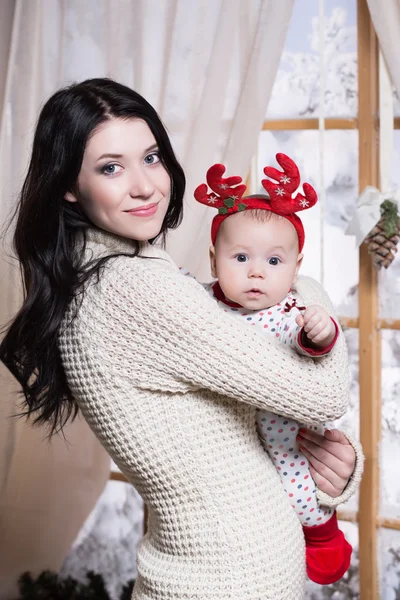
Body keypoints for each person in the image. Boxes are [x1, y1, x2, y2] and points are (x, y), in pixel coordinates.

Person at [0, 78, 363, 600]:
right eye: (110, 167)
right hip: (224, 584)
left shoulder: (117, 268)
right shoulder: (130, 286)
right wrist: (303, 285)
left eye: (151, 157)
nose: (146, 185)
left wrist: (332, 470)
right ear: (68, 185)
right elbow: (323, 395)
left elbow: (230, 437)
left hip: (224, 573)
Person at [193, 155, 353, 585]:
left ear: (296, 269)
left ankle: (322, 535)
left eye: (274, 262)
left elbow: (312, 344)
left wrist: (319, 333)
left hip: (286, 427)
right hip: (232, 445)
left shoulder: (290, 308)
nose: (257, 272)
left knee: (298, 479)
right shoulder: (200, 303)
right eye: (240, 257)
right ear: (214, 263)